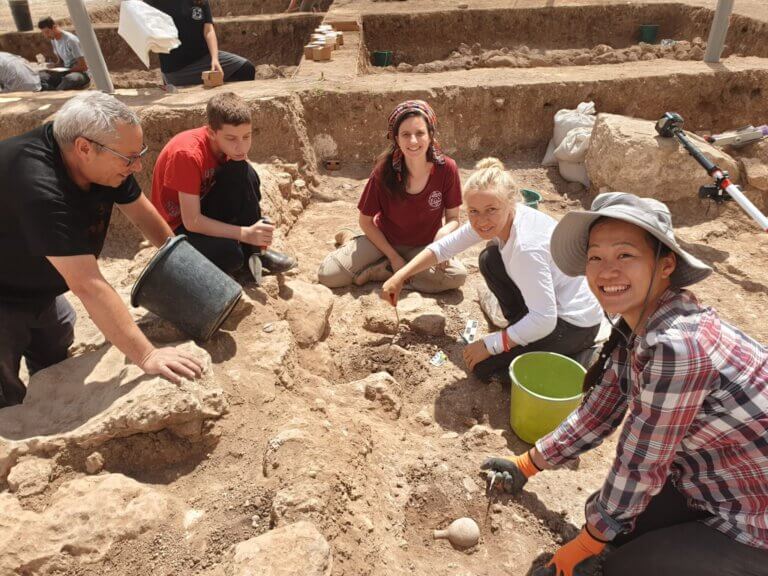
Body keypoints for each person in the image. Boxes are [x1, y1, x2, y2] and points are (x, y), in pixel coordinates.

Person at [482, 192, 768, 576]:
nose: (606, 271)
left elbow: (640, 464)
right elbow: (599, 411)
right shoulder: (638, 327)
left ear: (665, 265)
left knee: (622, 565)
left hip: (757, 516)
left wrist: (585, 544)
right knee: (607, 518)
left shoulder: (677, 347)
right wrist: (527, 464)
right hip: (714, 478)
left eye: (625, 255)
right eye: (596, 257)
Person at [0, 92, 204, 409]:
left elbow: (144, 217)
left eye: (139, 155)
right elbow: (87, 285)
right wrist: (147, 355)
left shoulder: (104, 160)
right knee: (5, 389)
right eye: (129, 158)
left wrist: (192, 271)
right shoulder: (37, 185)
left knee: (54, 346)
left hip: (34, 280)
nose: (137, 166)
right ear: (84, 148)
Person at [382, 158, 603, 381]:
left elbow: (545, 319)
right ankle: (521, 328)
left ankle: (581, 357)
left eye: (491, 210)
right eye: (473, 211)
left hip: (574, 324)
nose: (482, 221)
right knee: (491, 259)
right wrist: (401, 275)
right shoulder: (505, 218)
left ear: (510, 203)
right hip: (549, 308)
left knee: (483, 367)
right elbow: (445, 247)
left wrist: (494, 344)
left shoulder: (525, 248)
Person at [317, 100, 467, 293]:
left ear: (430, 135)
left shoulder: (447, 168)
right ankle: (353, 239)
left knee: (456, 276)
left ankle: (382, 271)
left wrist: (444, 235)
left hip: (424, 246)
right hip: (383, 241)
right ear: (396, 138)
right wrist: (394, 257)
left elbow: (454, 218)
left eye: (420, 133)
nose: (413, 141)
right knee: (328, 275)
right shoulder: (383, 171)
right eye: (405, 134)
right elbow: (366, 221)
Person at [151, 91, 295, 279]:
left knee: (244, 172)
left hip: (203, 205)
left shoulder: (231, 148)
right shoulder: (187, 154)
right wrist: (244, 233)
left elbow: (243, 185)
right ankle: (244, 256)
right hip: (177, 227)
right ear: (212, 132)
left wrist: (253, 229)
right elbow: (191, 221)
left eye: (246, 136)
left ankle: (256, 252)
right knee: (230, 256)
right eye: (231, 138)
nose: (241, 147)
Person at [145, 0, 255, 87]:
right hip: (176, 69)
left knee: (246, 68)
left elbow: (208, 30)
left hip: (203, 60)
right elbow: (138, 12)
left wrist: (215, 59)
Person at [37, 17, 91, 91]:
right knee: (40, 77)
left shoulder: (71, 40)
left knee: (69, 79)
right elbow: (61, 62)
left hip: (81, 74)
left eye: (47, 32)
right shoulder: (54, 40)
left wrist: (67, 71)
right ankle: (54, 93)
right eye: (43, 33)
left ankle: (56, 94)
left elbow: (83, 67)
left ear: (54, 27)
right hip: (66, 72)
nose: (46, 36)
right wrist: (53, 66)